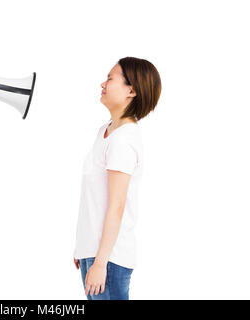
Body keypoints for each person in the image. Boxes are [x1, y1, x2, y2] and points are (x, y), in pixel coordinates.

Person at [73, 57, 161, 300]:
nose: (103, 83)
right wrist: (83, 246)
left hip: (109, 258)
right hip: (96, 253)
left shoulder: (123, 139)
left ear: (131, 90)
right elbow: (96, 196)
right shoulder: (105, 131)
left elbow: (117, 206)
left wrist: (100, 262)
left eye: (110, 78)